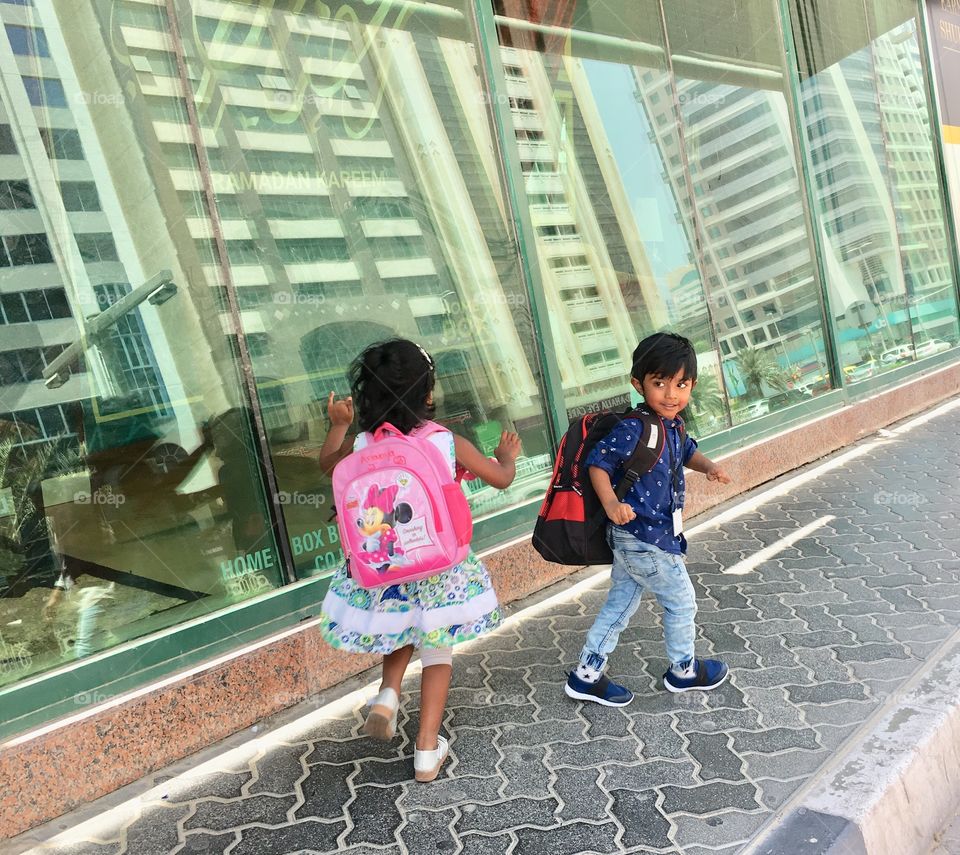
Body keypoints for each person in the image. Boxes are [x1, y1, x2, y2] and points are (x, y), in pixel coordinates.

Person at [316, 338, 520, 782]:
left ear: (368, 396)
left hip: (387, 560)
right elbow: (501, 479)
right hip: (439, 565)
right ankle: (426, 751)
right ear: (427, 394)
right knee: (436, 647)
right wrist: (506, 458)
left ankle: (388, 693)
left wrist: (339, 425)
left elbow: (328, 465)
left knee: (400, 626)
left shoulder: (363, 441)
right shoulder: (444, 440)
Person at [565, 332, 732, 707]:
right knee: (682, 602)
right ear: (638, 383)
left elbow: (688, 452)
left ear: (692, 385)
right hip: (646, 537)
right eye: (660, 383)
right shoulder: (634, 428)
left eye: (681, 385)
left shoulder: (674, 425)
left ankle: (586, 674)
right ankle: (683, 671)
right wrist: (611, 503)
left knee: (620, 605)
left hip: (637, 537)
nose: (671, 394)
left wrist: (709, 467)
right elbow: (598, 465)